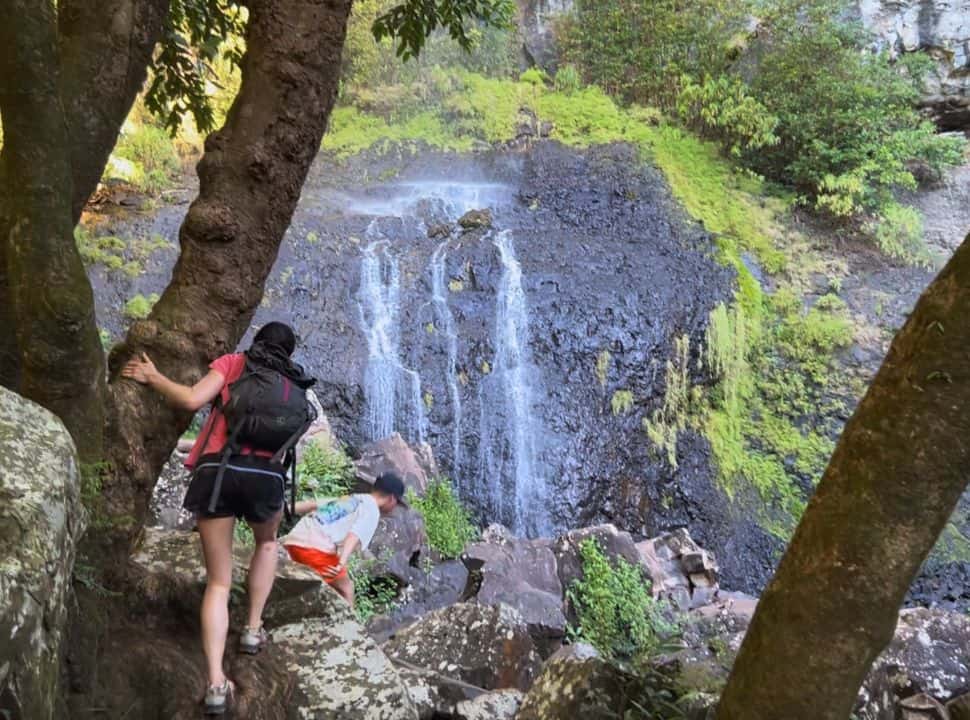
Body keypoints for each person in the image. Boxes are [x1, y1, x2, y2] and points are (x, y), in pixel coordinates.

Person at [122, 321, 315, 716]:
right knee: (266, 543)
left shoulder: (234, 364)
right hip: (265, 479)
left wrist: (153, 376)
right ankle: (253, 629)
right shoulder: (293, 386)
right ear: (289, 354)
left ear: (257, 342)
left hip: (220, 474)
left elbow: (193, 400)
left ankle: (214, 683)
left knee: (219, 582)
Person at [282, 472, 406, 607]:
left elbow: (312, 504)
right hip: (315, 547)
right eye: (397, 504)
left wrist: (278, 511)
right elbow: (354, 535)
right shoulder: (372, 511)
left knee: (320, 583)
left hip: (294, 539)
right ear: (392, 499)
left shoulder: (354, 498)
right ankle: (350, 626)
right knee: (346, 588)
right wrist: (341, 563)